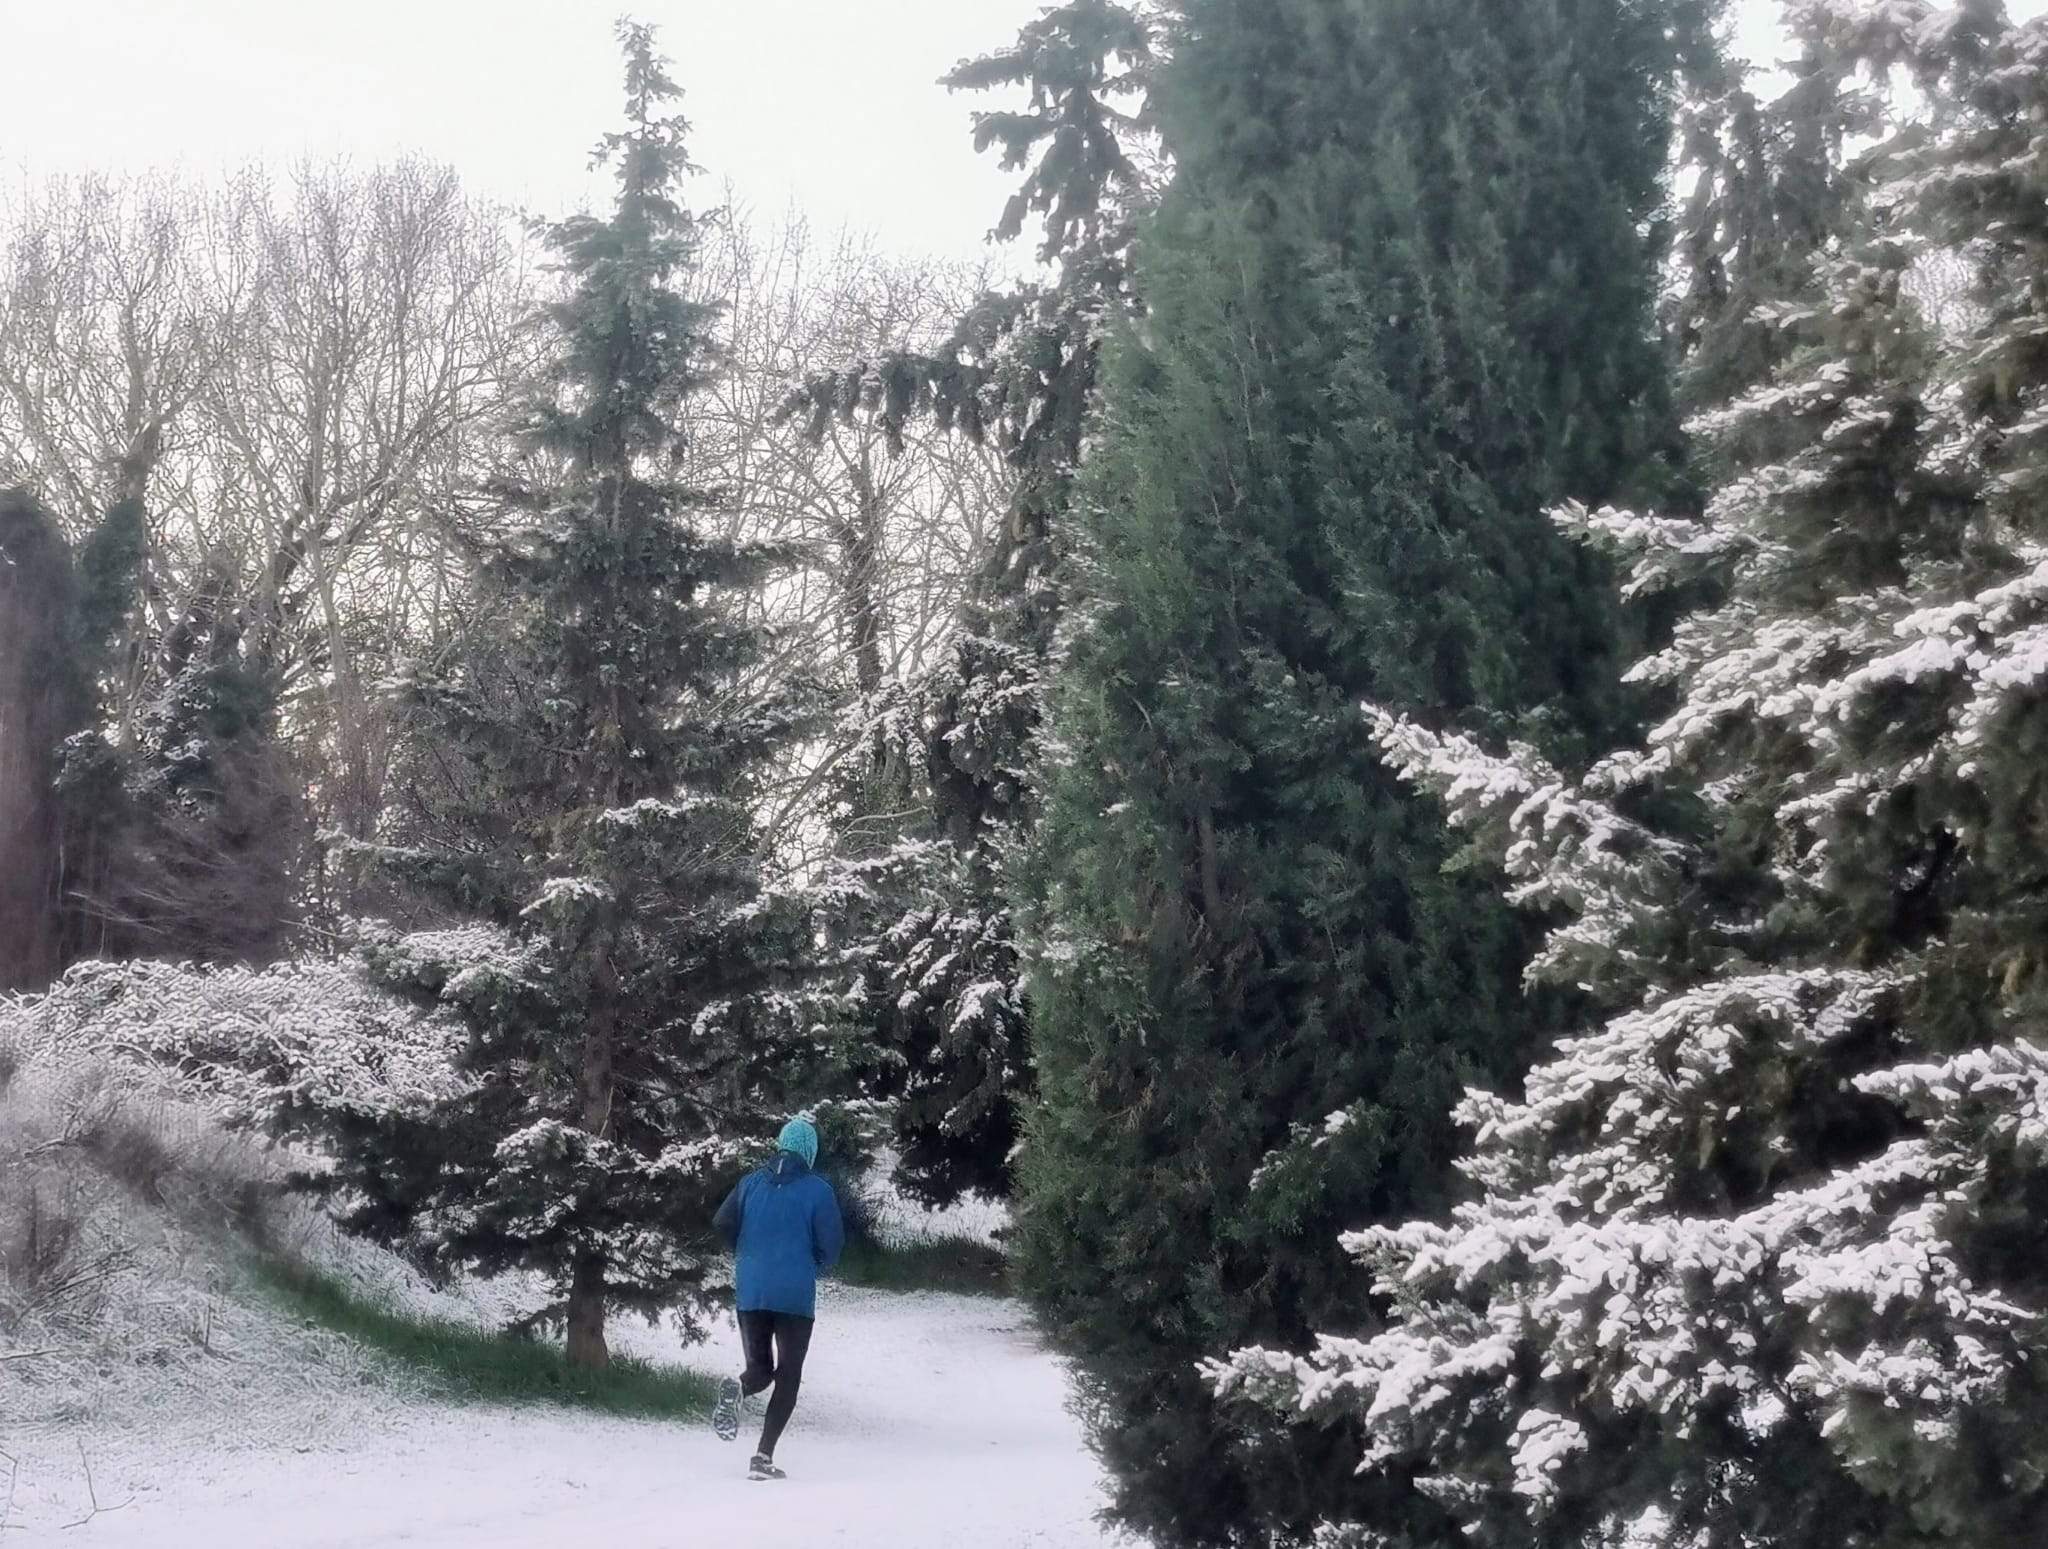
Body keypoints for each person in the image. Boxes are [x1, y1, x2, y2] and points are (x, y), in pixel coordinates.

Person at [710, 1115, 844, 1480]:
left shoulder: (751, 1183)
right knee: (788, 1376)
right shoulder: (818, 1190)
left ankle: (739, 1387)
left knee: (759, 1370)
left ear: (780, 1145)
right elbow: (832, 1246)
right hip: (795, 1298)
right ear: (810, 1152)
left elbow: (722, 1222)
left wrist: (744, 1253)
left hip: (752, 1290)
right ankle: (762, 1458)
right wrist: (815, 1264)